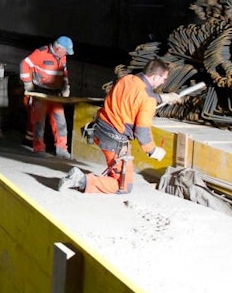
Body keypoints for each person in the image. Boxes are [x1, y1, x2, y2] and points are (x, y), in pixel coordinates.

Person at [57, 58, 182, 193]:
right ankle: (81, 180)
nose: (163, 82)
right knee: (123, 187)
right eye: (163, 78)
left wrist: (164, 97)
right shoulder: (148, 99)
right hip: (114, 142)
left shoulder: (126, 79)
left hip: (100, 130)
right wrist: (152, 151)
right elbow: (142, 131)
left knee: (120, 173)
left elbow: (136, 96)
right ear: (156, 77)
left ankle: (100, 177)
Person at [19, 35, 74, 157]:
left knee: (61, 123)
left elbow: (64, 72)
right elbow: (24, 64)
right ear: (58, 48)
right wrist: (28, 83)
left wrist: (66, 86)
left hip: (55, 94)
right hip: (40, 93)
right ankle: (39, 149)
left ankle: (62, 150)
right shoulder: (40, 53)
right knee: (39, 122)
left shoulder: (62, 57)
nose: (66, 54)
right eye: (65, 51)